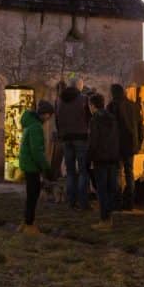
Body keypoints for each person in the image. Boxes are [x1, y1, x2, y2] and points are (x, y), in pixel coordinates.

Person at [17, 100, 54, 235]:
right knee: (33, 194)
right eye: (49, 115)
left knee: (30, 194)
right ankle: (29, 224)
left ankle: (26, 221)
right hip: (32, 165)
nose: (49, 118)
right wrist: (46, 168)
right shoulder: (36, 127)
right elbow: (37, 151)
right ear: (45, 114)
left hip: (27, 163)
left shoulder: (30, 123)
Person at [56, 76, 91, 210]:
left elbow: (57, 120)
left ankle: (71, 201)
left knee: (70, 172)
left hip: (65, 138)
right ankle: (83, 202)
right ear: (80, 87)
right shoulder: (83, 99)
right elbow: (89, 118)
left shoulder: (59, 100)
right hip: (81, 137)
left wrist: (61, 134)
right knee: (83, 171)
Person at [87, 92, 119, 228]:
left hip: (100, 158)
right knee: (111, 188)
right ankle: (109, 217)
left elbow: (93, 141)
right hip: (112, 157)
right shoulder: (112, 118)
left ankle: (104, 219)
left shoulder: (95, 119)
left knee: (101, 190)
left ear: (92, 105)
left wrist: (89, 158)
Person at [108, 84, 142, 210]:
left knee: (117, 173)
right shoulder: (133, 106)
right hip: (131, 144)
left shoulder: (112, 106)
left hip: (117, 144)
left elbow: (109, 127)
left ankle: (117, 202)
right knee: (129, 173)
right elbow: (140, 126)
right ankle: (129, 202)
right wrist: (139, 142)